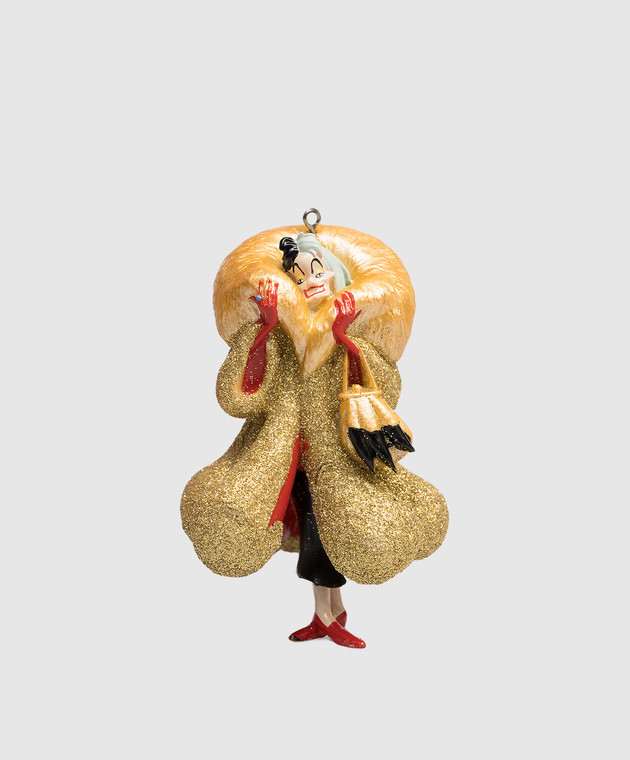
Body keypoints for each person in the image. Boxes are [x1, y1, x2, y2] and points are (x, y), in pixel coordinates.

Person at [181, 224, 448, 648]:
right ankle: (328, 612)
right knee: (308, 532)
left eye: (318, 271)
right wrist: (265, 331)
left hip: (338, 462)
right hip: (283, 459)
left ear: (336, 275)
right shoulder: (282, 339)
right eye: (299, 277)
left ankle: (327, 614)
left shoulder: (352, 334)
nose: (310, 283)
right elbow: (239, 399)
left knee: (331, 534)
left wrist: (343, 339)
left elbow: (383, 390)